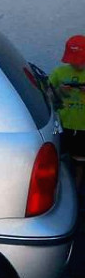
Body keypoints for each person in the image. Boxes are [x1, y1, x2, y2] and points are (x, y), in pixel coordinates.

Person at [49, 35, 85, 191]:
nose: (76, 64)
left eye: (80, 61)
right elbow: (47, 95)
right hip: (62, 124)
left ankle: (76, 189)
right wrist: (60, 91)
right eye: (73, 60)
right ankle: (58, 187)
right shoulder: (59, 72)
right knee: (58, 157)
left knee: (80, 161)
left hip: (83, 126)